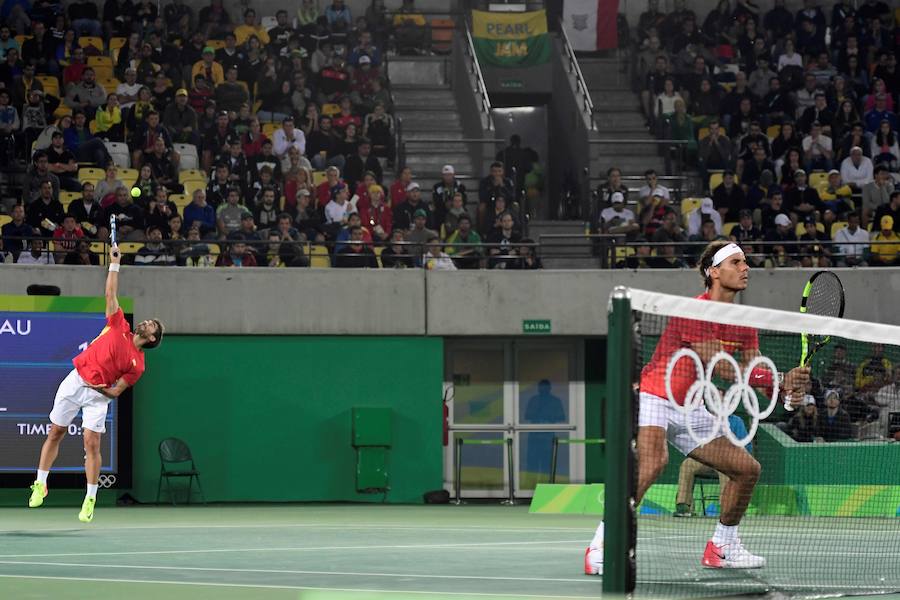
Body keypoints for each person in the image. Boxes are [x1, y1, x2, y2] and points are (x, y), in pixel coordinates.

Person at [585, 241, 809, 575]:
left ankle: (722, 547)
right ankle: (600, 546)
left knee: (746, 469)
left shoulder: (745, 321)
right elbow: (722, 366)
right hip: (655, 395)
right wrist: (779, 378)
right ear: (713, 272)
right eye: (736, 262)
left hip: (692, 406)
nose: (746, 267)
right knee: (653, 462)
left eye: (745, 262)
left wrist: (782, 391)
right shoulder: (693, 310)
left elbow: (753, 370)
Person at [28, 244, 163, 523]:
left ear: (152, 338)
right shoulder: (118, 324)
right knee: (55, 432)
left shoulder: (138, 365)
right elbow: (110, 293)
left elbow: (116, 391)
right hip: (76, 380)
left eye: (152, 325)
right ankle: (40, 483)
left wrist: (101, 391)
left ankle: (90, 498)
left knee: (92, 443)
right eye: (149, 321)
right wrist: (114, 264)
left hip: (97, 396)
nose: (147, 322)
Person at [674, 415, 751, 517]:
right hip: (708, 459)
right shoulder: (704, 418)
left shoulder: (736, 421)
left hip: (729, 461)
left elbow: (746, 446)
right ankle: (683, 506)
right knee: (687, 464)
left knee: (725, 468)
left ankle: (727, 506)